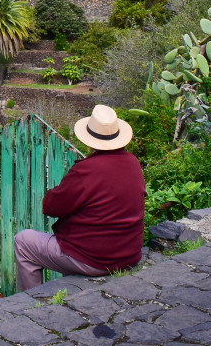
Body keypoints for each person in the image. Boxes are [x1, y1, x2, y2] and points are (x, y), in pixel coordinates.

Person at [14, 104, 146, 291]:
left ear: (90, 140)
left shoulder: (86, 170)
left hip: (94, 260)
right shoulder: (133, 163)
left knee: (23, 241)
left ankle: (31, 303)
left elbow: (51, 207)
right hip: (129, 255)